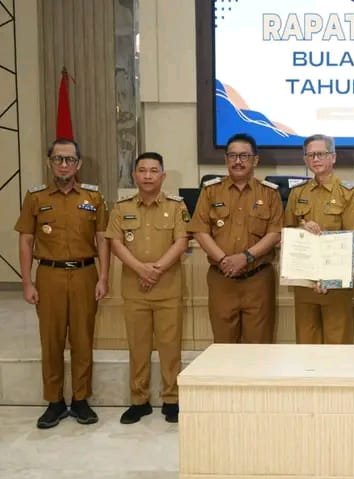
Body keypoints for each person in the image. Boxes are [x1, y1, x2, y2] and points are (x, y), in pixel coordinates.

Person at [15, 138, 110, 428]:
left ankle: (81, 400)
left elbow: (102, 239)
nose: (64, 164)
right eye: (58, 159)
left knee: (83, 339)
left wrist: (103, 277)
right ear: (50, 163)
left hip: (84, 274)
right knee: (51, 340)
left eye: (69, 159)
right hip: (49, 275)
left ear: (78, 164)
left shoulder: (94, 197)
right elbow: (26, 240)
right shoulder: (36, 197)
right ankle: (54, 402)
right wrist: (27, 282)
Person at [105, 152, 189, 424]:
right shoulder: (121, 208)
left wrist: (155, 270)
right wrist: (142, 269)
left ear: (162, 176)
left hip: (168, 289)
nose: (148, 176)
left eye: (154, 171)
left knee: (170, 347)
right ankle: (138, 401)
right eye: (142, 170)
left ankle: (171, 400)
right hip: (135, 290)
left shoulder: (176, 207)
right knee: (138, 347)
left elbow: (181, 242)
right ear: (134, 175)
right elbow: (115, 243)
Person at [188, 133, 282, 343]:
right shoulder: (211, 191)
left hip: (258, 279)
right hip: (222, 279)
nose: (238, 161)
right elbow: (200, 230)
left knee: (258, 345)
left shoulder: (269, 193)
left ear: (255, 160)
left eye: (244, 156)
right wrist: (223, 260)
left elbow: (275, 233)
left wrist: (245, 257)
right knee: (223, 345)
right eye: (232, 156)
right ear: (226, 159)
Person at [284, 134, 354, 344]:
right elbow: (287, 233)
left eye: (321, 154)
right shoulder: (297, 193)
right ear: (305, 159)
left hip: (335, 283)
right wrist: (301, 229)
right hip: (304, 281)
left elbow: (351, 240)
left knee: (337, 345)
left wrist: (328, 278)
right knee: (305, 343)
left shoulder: (349, 193)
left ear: (333, 157)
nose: (316, 159)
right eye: (310, 155)